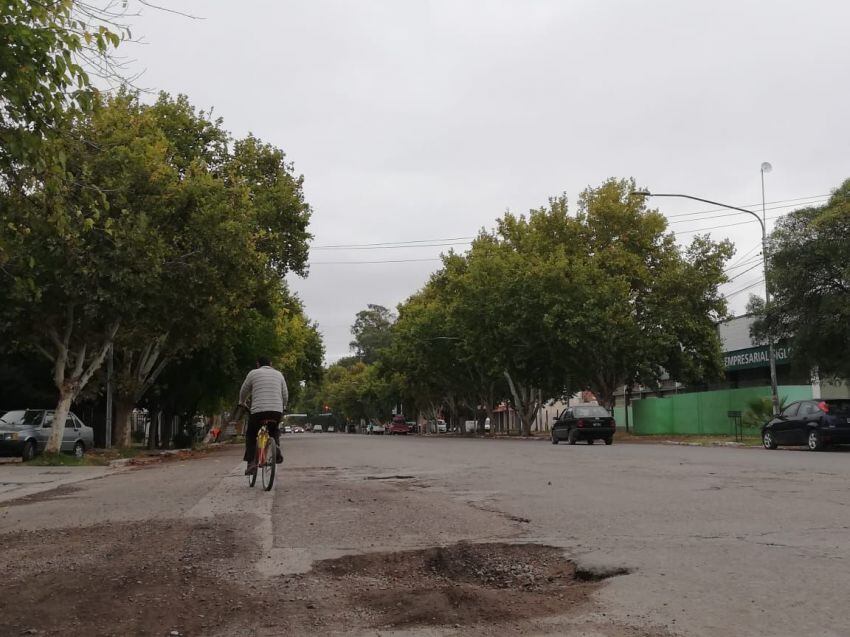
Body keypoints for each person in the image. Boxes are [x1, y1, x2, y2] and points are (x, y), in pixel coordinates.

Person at [239, 356, 288, 475]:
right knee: (274, 430)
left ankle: (251, 463)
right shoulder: (279, 374)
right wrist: (284, 407)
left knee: (251, 434)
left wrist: (241, 402)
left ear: (257, 364)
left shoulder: (253, 373)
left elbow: (244, 390)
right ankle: (275, 446)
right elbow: (285, 394)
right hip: (276, 411)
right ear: (271, 364)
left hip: (258, 412)